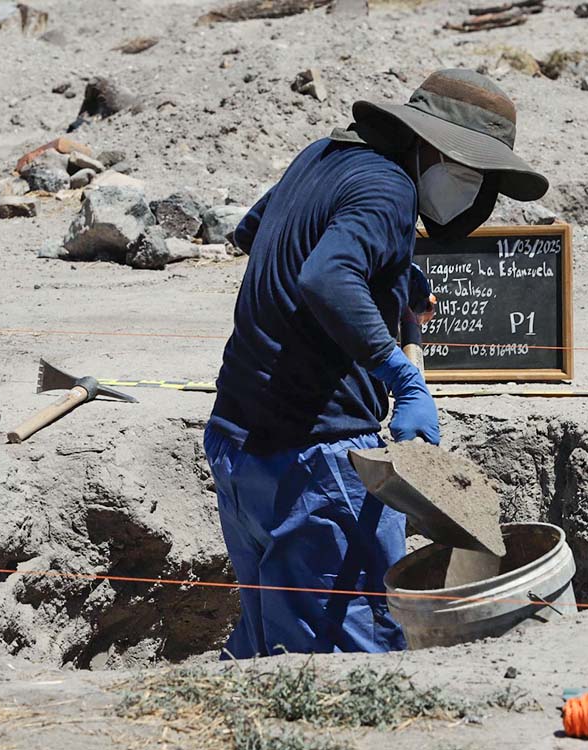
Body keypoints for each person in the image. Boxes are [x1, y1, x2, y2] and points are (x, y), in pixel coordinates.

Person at [204, 69, 549, 658]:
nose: (472, 189)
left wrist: (388, 281)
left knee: (275, 649)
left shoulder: (322, 154)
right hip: (319, 459)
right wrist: (402, 375)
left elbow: (256, 231)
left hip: (239, 444)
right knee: (351, 661)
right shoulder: (389, 187)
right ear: (427, 145)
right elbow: (326, 275)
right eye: (468, 172)